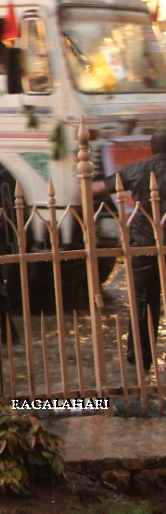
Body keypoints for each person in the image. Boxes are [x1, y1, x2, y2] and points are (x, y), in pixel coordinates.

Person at [92, 130, 166, 369]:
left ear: (153, 150)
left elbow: (100, 188)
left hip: (143, 243)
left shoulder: (139, 170)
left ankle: (140, 357)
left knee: (143, 300)